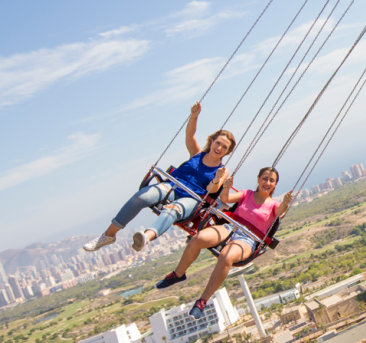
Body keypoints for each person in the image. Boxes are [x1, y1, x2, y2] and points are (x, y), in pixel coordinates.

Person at [84, 102, 236, 253]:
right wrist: (194, 116)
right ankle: (109, 235)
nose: (219, 148)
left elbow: (212, 189)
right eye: (218, 143)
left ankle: (146, 237)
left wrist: (217, 178)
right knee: (141, 197)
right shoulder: (196, 154)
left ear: (227, 152)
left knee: (172, 210)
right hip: (173, 186)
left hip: (192, 198)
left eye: (224, 147)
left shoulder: (222, 170)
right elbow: (190, 135)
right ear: (211, 142)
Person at [154, 167, 293, 319]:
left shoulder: (274, 205)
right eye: (264, 178)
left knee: (226, 256)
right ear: (258, 179)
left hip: (248, 238)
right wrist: (226, 188)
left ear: (275, 185)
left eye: (271, 180)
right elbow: (226, 199)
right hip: (230, 227)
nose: (267, 182)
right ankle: (178, 273)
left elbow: (280, 213)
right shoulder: (247, 194)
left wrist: (285, 202)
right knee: (198, 238)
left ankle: (202, 302)